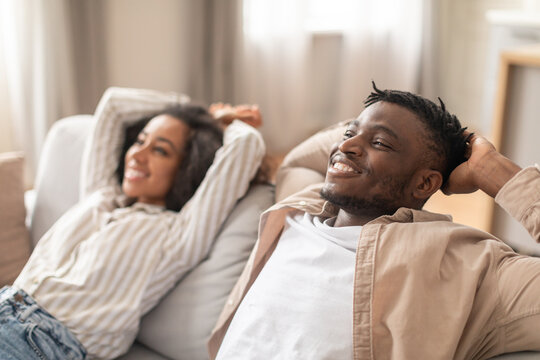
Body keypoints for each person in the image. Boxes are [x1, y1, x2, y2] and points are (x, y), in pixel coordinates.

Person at [208, 83, 540, 360]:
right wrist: (371, 126)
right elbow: (300, 159)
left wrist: (495, 172)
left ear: (425, 184)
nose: (346, 146)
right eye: (350, 133)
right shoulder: (300, 207)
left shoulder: (470, 266)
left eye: (379, 143)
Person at [0, 88, 266, 359]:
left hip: (39, 343)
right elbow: (114, 105)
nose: (138, 155)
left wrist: (219, 122)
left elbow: (247, 145)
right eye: (140, 141)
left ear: (187, 168)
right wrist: (193, 109)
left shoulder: (179, 234)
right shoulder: (102, 194)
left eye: (161, 150)